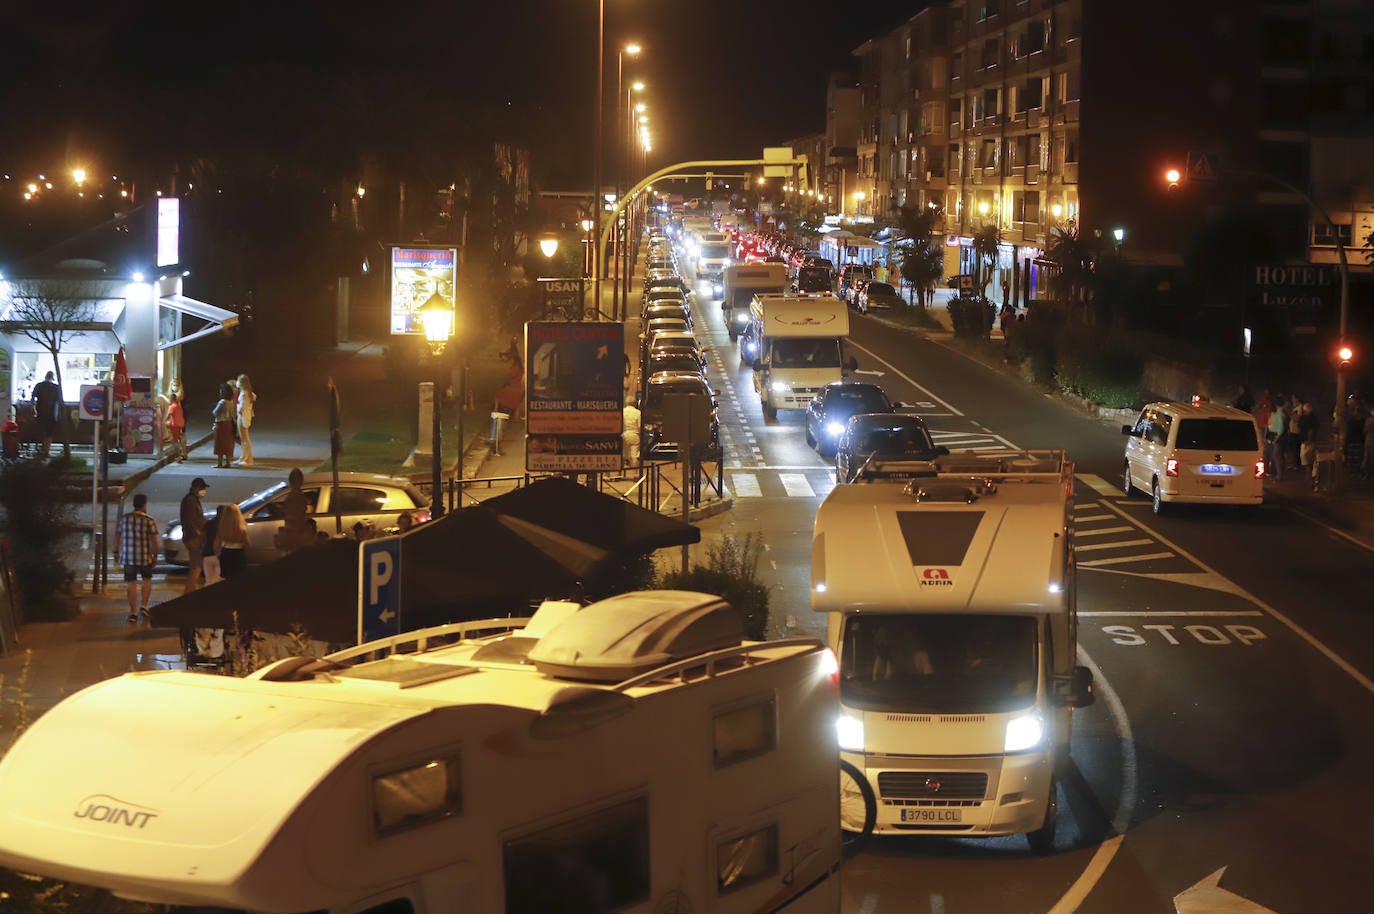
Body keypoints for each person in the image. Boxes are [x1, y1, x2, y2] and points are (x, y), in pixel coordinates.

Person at [113, 493, 160, 624]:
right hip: (144, 557)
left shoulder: (124, 519)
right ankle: (144, 605)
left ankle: (133, 612)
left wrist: (116, 552)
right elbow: (154, 541)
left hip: (128, 557)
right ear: (144, 504)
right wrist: (155, 555)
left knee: (131, 583)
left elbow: (117, 536)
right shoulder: (149, 520)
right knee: (147, 580)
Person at [179, 477, 209, 592]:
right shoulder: (190, 500)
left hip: (193, 537)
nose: (203, 491)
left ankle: (190, 591)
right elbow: (190, 520)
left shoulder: (192, 499)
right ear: (196, 488)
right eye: (202, 488)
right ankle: (190, 592)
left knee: (195, 567)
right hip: (193, 538)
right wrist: (198, 533)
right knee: (196, 568)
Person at [31, 370, 61, 459]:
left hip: (40, 412)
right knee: (49, 433)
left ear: (45, 376)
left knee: (42, 432)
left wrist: (34, 410)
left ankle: (42, 450)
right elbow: (59, 401)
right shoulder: (55, 387)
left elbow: (32, 399)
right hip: (52, 413)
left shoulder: (39, 385)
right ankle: (47, 451)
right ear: (52, 377)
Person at [215, 503, 250, 579]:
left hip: (225, 554)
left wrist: (218, 554)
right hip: (238, 554)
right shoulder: (241, 528)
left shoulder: (222, 527)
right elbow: (247, 543)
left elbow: (216, 544)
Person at [211, 382, 236, 468]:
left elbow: (215, 412)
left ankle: (219, 463)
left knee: (219, 444)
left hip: (221, 424)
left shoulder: (222, 402)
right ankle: (228, 462)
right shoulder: (231, 403)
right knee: (227, 444)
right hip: (229, 424)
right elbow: (233, 415)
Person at [234, 373, 256, 467]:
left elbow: (240, 408)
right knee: (243, 439)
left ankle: (248, 459)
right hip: (243, 416)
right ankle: (243, 457)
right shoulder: (248, 393)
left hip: (242, 417)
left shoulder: (244, 394)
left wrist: (236, 405)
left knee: (245, 439)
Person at [1266, 393, 1288, 482]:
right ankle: (1278, 475)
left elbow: (1281, 428)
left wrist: (1277, 437)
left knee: (1276, 456)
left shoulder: (1279, 413)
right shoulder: (1282, 412)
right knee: (1277, 456)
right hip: (1279, 436)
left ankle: (1279, 476)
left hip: (1278, 437)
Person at [202, 505, 225, 584]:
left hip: (207, 555)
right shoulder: (224, 525)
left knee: (208, 580)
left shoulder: (208, 524)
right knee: (218, 579)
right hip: (218, 555)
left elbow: (203, 538)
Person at [166, 391, 187, 462]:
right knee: (178, 440)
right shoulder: (179, 406)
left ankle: (178, 457)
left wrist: (164, 422)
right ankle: (182, 454)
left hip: (174, 425)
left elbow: (168, 416)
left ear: (171, 399)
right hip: (180, 425)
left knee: (175, 442)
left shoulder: (172, 406)